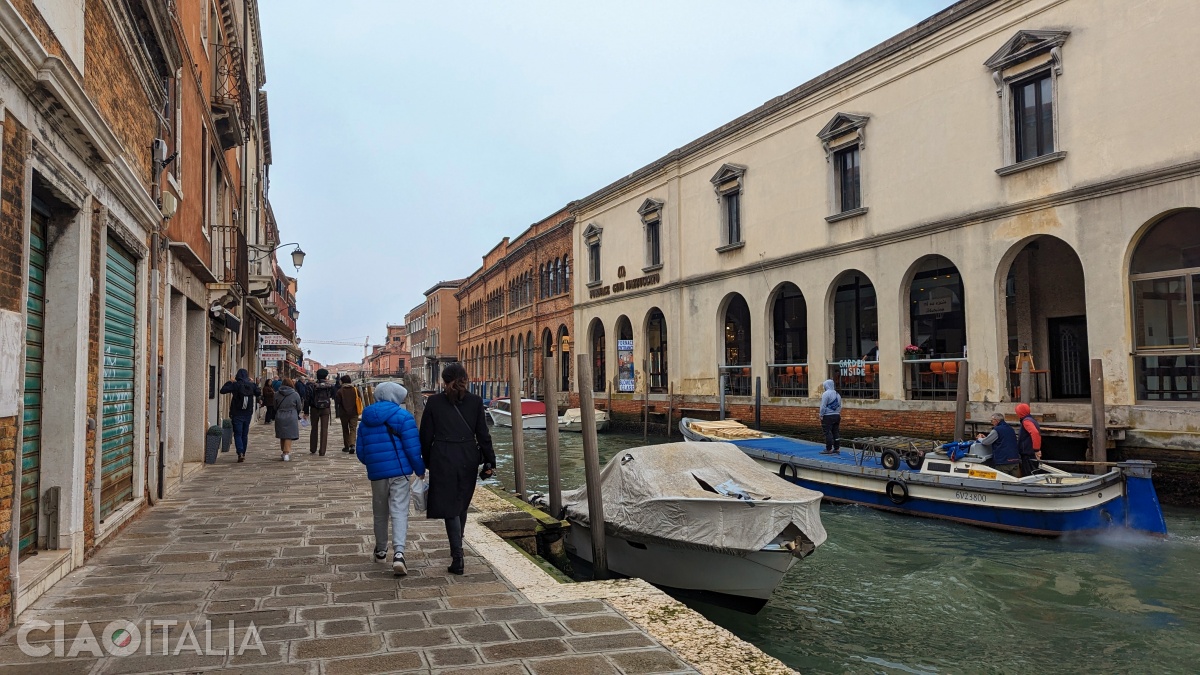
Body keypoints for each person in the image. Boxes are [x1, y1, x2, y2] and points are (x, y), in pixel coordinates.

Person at [420, 363, 494, 575]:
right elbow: (483, 435)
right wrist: (490, 461)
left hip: (443, 457)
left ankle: (458, 556)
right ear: (465, 378)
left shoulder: (433, 402)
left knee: (451, 507)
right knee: (460, 504)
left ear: (444, 380)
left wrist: (426, 461)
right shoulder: (476, 401)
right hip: (468, 456)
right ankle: (458, 550)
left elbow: (425, 435)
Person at [356, 382, 424, 574]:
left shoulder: (366, 418)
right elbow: (413, 450)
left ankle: (381, 551)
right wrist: (419, 469)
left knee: (380, 513)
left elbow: (361, 452)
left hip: (377, 474)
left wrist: (375, 464)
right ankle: (399, 554)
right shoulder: (404, 417)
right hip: (400, 473)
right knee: (399, 511)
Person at [219, 369, 260, 463]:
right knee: (244, 434)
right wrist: (254, 383)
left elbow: (223, 390)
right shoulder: (251, 385)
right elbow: (258, 392)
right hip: (248, 413)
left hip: (237, 413)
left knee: (237, 434)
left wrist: (230, 381)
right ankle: (243, 453)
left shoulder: (236, 385)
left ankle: (240, 452)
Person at [304, 369, 336, 456]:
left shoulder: (311, 386)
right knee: (324, 429)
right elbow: (334, 395)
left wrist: (306, 411)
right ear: (326, 376)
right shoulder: (330, 385)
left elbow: (307, 399)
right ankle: (322, 451)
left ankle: (313, 448)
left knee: (314, 428)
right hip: (325, 408)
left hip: (314, 408)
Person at [274, 377, 302, 461]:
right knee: (289, 435)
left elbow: (274, 406)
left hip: (280, 415)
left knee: (282, 434)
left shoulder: (276, 394)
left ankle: (283, 451)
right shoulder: (295, 394)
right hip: (291, 415)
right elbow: (299, 406)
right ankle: (286, 452)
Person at [336, 375, 363, 453]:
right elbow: (360, 398)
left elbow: (337, 401)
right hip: (354, 412)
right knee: (353, 429)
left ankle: (346, 446)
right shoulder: (355, 389)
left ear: (343, 382)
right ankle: (352, 445)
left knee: (345, 429)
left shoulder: (340, 391)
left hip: (343, 413)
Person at [1015, 402, 1042, 476]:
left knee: (1029, 474)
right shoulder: (1032, 420)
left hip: (1028, 453)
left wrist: (1036, 449)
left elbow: (1035, 433)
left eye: (1017, 412)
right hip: (1030, 452)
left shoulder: (1026, 421)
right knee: (1033, 472)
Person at [819, 379, 842, 455]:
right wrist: (837, 413)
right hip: (837, 415)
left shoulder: (826, 394)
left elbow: (823, 406)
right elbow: (840, 406)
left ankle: (829, 449)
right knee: (836, 432)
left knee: (828, 432)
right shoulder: (837, 394)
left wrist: (821, 415)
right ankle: (837, 448)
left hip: (828, 416)